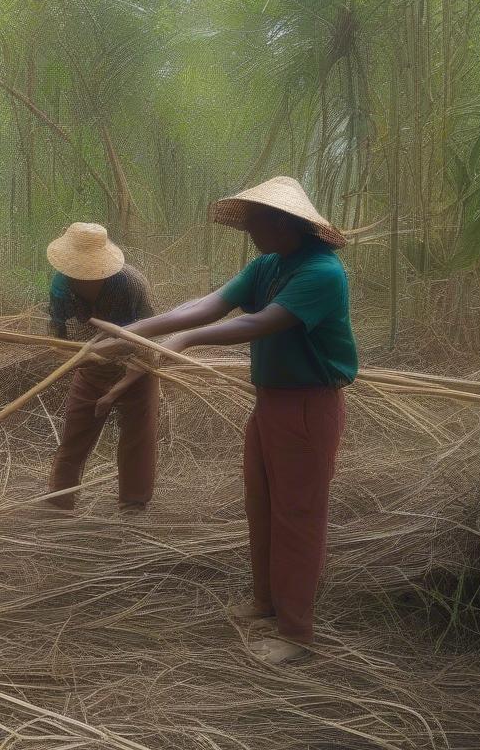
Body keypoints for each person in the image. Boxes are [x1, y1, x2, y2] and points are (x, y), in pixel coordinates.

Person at [98, 177, 358, 664]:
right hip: (271, 401)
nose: (250, 231)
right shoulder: (267, 266)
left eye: (255, 221)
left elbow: (259, 323)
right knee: (260, 502)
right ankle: (266, 602)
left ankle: (297, 632)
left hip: (307, 405)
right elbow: (207, 305)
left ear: (284, 222)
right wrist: (132, 332)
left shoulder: (323, 272)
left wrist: (183, 343)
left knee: (297, 513)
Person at [46, 222, 160, 512]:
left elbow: (149, 341)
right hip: (90, 367)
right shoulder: (61, 286)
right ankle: (60, 502)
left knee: (138, 436)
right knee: (75, 434)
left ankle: (133, 506)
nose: (79, 278)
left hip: (137, 366)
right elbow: (58, 337)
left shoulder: (129, 284)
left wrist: (115, 390)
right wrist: (70, 360)